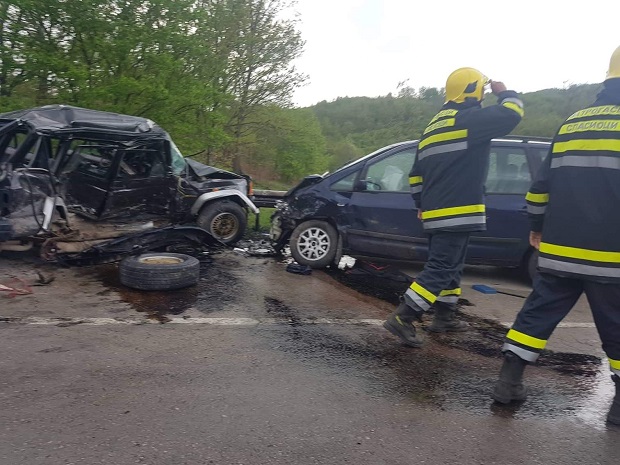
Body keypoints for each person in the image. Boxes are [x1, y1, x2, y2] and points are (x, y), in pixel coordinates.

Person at [491, 45, 620, 426]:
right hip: (613, 259)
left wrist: (536, 226)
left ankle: (508, 382)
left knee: (536, 314)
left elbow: (540, 188)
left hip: (559, 251)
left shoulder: (573, 123)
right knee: (616, 326)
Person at [383, 67, 524, 347]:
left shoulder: (433, 127)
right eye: (481, 90)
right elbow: (512, 113)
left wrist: (421, 204)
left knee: (452, 265)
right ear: (472, 90)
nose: (483, 96)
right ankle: (404, 316)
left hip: (436, 211)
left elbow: (415, 175)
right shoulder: (469, 120)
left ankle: (444, 317)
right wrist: (505, 92)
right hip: (458, 210)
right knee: (442, 266)